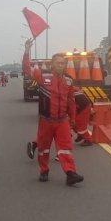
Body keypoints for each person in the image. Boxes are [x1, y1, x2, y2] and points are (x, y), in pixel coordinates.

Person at [23, 40, 84, 186]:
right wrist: (27, 51)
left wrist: (73, 118)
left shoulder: (69, 81)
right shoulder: (43, 77)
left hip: (62, 120)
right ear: (52, 65)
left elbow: (71, 102)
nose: (60, 65)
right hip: (46, 120)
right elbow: (27, 70)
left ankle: (70, 173)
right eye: (58, 63)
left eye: (63, 63)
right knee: (43, 149)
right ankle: (44, 170)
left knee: (65, 148)